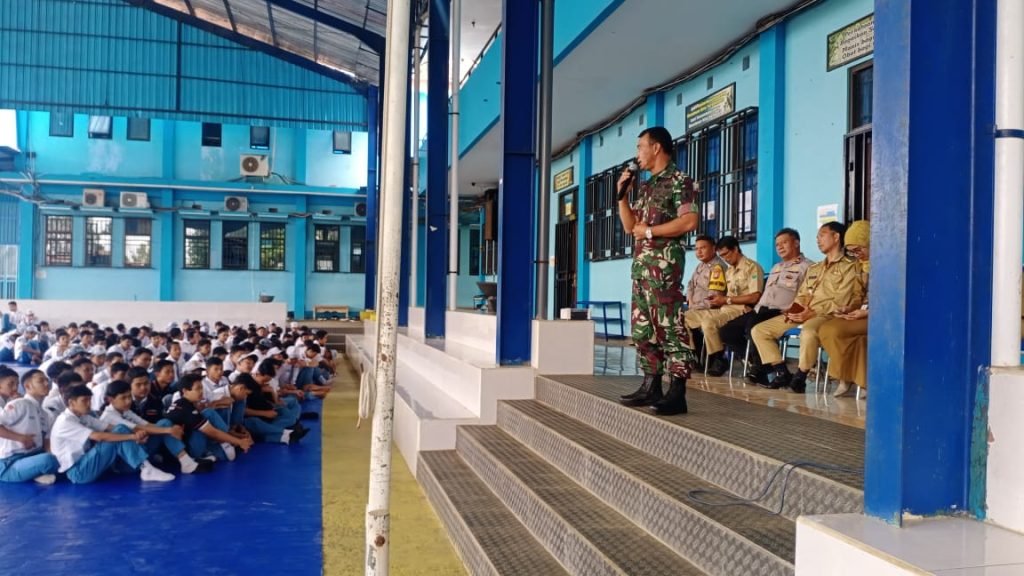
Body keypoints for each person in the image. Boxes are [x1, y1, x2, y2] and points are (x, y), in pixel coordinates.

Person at [615, 126, 700, 416]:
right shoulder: (648, 185)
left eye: (640, 146)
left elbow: (689, 222)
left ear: (656, 148)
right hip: (641, 270)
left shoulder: (680, 181)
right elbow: (630, 228)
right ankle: (651, 384)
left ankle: (677, 391)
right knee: (643, 331)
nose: (637, 153)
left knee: (670, 330)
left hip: (663, 270)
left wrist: (650, 231)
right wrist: (621, 197)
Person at [750, 222, 865, 392]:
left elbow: (843, 299)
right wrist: (796, 311)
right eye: (817, 237)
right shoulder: (815, 268)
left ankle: (800, 376)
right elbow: (802, 294)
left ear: (836, 237)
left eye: (822, 235)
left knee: (809, 331)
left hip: (827, 314)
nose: (818, 240)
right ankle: (782, 372)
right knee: (759, 330)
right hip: (803, 312)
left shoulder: (851, 266)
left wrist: (812, 313)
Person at [717, 229, 814, 385]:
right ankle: (763, 366)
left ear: (796, 243)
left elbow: (807, 294)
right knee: (726, 332)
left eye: (784, 243)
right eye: (777, 245)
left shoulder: (808, 267)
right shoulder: (776, 267)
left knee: (752, 327)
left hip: (781, 311)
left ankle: (760, 370)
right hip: (760, 309)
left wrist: (793, 310)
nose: (780, 247)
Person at [50, 385, 175, 483]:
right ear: (71, 403)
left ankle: (146, 467)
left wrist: (134, 437)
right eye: (84, 401)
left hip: (86, 463)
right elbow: (98, 436)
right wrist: (132, 436)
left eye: (90, 400)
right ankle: (146, 469)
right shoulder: (65, 421)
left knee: (121, 429)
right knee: (119, 432)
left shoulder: (82, 416)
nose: (89, 404)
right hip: (78, 472)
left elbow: (110, 428)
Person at [818, 220, 870, 397]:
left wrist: (866, 312)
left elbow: (892, 299)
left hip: (880, 318)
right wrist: (849, 308)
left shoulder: (886, 265)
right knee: (856, 340)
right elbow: (858, 295)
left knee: (831, 330)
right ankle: (859, 381)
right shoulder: (861, 267)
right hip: (862, 314)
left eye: (859, 249)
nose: (857, 255)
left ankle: (844, 377)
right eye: (852, 251)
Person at [701, 236, 765, 376]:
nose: (724, 258)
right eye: (721, 256)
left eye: (726, 254)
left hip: (741, 309)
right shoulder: (729, 271)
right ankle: (706, 358)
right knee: (689, 319)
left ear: (735, 249)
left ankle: (720, 359)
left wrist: (726, 300)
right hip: (725, 308)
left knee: (708, 324)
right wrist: (717, 299)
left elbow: (755, 296)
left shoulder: (752, 267)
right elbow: (727, 295)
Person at [0, 369, 59, 484]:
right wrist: (21, 438)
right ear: (28, 386)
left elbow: (46, 441)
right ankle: (35, 470)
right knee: (48, 461)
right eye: (41, 381)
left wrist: (54, 454)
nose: (47, 383)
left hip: (32, 455)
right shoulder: (19, 404)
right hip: (9, 462)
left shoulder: (45, 414)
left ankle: (35, 469)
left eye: (47, 380)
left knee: (58, 456)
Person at [681, 235, 727, 363]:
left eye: (703, 248)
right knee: (678, 319)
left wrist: (694, 306)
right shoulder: (700, 266)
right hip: (697, 308)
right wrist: (689, 298)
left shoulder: (717, 267)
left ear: (713, 249)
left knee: (681, 319)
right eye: (696, 249)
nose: (699, 252)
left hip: (712, 310)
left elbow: (714, 298)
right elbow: (690, 284)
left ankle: (713, 359)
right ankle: (693, 356)